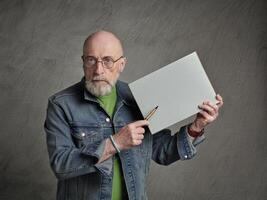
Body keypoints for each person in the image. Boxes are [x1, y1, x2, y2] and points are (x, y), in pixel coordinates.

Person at [44, 30, 223, 200]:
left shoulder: (138, 98)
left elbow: (163, 152)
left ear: (121, 64)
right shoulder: (60, 104)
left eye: (107, 61)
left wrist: (197, 127)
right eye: (91, 60)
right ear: (83, 62)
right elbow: (61, 166)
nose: (98, 70)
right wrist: (115, 143)